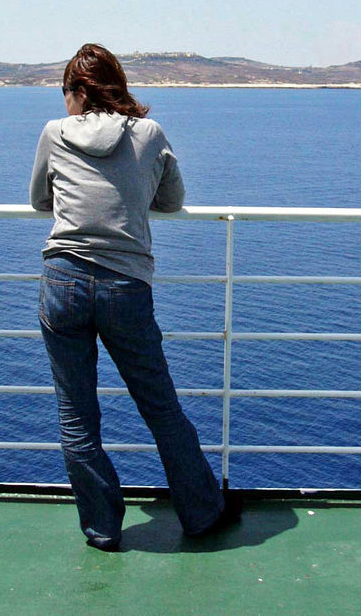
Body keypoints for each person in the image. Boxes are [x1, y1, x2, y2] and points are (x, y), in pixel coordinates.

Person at [30, 43, 241, 550]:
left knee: (76, 414)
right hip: (125, 285)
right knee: (160, 407)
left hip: (62, 282)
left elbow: (40, 199)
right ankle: (202, 513)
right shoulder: (149, 134)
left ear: (78, 92)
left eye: (65, 93)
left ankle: (102, 528)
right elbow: (171, 200)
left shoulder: (54, 135)